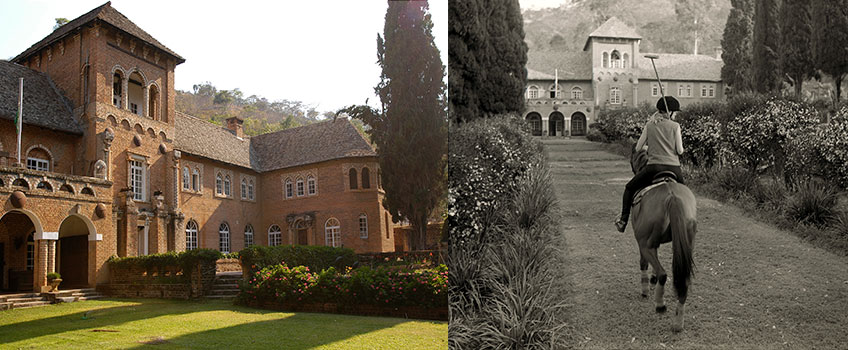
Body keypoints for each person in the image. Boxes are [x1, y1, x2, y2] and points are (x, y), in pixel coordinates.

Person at [614, 96, 685, 233]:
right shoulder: (675, 126)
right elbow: (680, 151)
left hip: (654, 168)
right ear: (669, 112)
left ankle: (623, 220)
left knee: (629, 188)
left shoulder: (650, 125)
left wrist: (650, 147)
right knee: (686, 195)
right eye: (675, 112)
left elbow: (638, 147)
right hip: (674, 169)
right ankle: (689, 223)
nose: (675, 115)